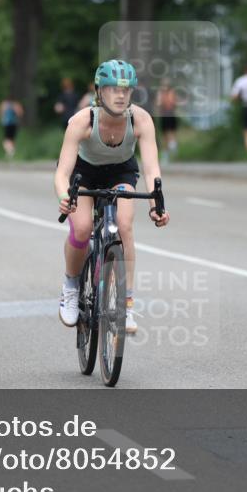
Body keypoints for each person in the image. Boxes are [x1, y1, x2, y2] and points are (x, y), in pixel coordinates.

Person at [55, 59, 169, 335]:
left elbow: (151, 168)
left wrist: (156, 204)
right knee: (81, 228)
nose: (120, 95)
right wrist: (63, 196)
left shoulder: (140, 120)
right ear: (99, 91)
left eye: (126, 90)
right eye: (113, 89)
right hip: (84, 173)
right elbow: (62, 172)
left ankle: (126, 303)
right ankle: (71, 286)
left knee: (124, 225)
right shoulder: (83, 121)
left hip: (120, 172)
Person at [155, 77, 180, 164]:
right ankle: (167, 154)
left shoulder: (170, 93)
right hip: (165, 115)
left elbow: (173, 103)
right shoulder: (162, 93)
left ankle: (172, 147)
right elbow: (158, 104)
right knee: (165, 135)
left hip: (169, 114)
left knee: (170, 133)